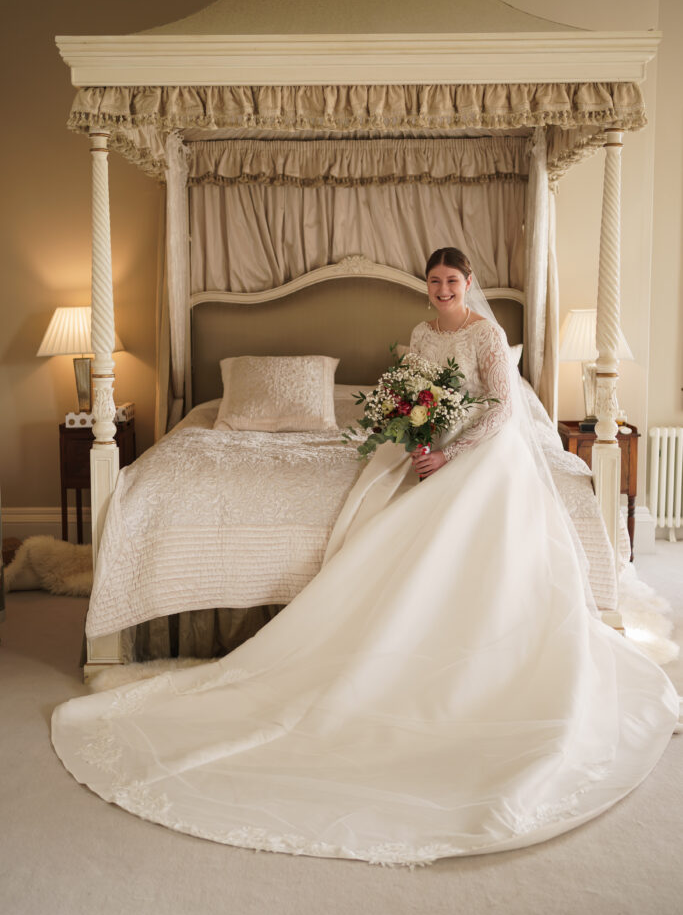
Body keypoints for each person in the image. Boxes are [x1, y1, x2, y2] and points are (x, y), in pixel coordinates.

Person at [51, 248, 679, 867]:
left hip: (486, 453)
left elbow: (502, 410)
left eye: (451, 281)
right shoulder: (421, 333)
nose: (442, 290)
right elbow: (414, 392)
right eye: (434, 281)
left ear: (468, 283)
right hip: (431, 442)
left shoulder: (487, 335)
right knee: (383, 503)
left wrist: (450, 453)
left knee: (448, 519)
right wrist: (418, 437)